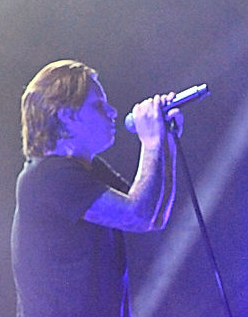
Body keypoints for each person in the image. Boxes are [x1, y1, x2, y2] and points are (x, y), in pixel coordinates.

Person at [11, 59, 180, 317]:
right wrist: (152, 141)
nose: (112, 112)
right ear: (67, 113)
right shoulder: (48, 176)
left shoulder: (87, 170)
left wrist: (166, 141)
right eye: (99, 105)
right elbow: (139, 214)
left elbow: (153, 215)